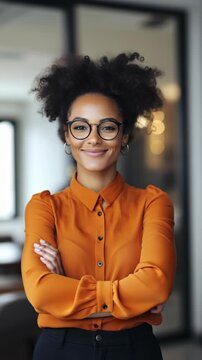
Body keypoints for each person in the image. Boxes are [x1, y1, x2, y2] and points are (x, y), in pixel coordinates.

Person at [21, 52, 176, 360]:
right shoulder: (43, 208)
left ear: (125, 135)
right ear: (67, 134)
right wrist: (130, 299)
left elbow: (155, 287)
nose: (93, 139)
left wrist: (68, 287)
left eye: (107, 127)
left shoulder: (153, 203)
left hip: (135, 350)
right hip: (60, 350)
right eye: (80, 127)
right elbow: (40, 293)